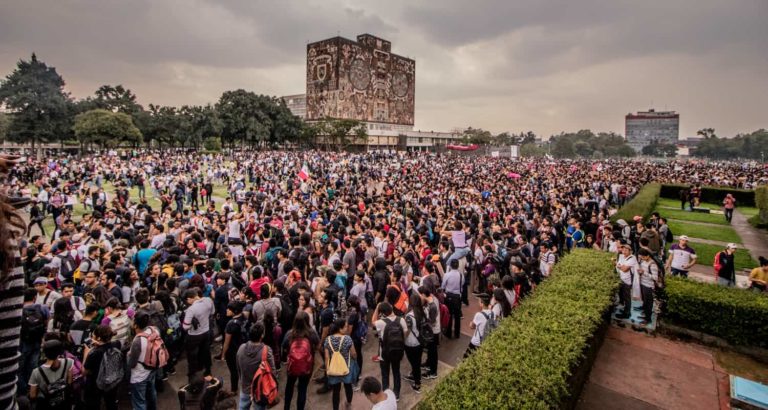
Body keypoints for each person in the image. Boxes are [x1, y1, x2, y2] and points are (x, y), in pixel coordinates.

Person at [283, 311, 319, 410]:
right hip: (307, 365)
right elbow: (317, 344)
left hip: (292, 365)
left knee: (289, 386)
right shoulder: (311, 333)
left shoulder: (290, 333)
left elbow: (284, 346)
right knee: (302, 389)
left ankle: (286, 407)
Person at [236, 323, 275, 410]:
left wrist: (241, 379)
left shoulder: (241, 348)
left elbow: (238, 367)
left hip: (245, 387)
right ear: (262, 336)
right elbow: (272, 371)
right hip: (260, 390)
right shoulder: (266, 350)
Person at [373, 302, 407, 401]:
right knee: (396, 372)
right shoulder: (402, 320)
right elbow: (404, 336)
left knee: (385, 374)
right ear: (391, 309)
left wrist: (377, 307)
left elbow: (373, 321)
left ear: (382, 313)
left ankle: (386, 394)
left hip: (384, 353)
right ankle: (396, 395)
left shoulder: (380, 322)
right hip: (397, 352)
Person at [82, 325, 121, 410]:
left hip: (96, 384)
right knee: (111, 403)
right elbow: (106, 346)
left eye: (93, 336)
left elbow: (85, 372)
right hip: (112, 380)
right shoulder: (117, 344)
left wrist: (86, 354)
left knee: (93, 404)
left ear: (98, 338)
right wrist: (99, 344)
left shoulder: (94, 354)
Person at [28, 340, 73, 410]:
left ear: (45, 353)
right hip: (63, 402)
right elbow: (70, 381)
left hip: (47, 404)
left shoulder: (36, 372)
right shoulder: (69, 362)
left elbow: (32, 395)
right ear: (60, 352)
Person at [127, 311, 159, 410]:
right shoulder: (154, 330)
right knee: (151, 393)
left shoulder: (138, 340)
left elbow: (132, 364)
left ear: (136, 325)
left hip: (140, 375)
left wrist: (129, 355)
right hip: (152, 368)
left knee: (139, 401)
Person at [182, 288, 214, 384]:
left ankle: (193, 376)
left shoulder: (191, 309)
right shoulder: (208, 300)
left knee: (192, 356)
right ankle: (207, 371)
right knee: (205, 351)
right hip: (206, 331)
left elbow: (185, 327)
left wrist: (192, 322)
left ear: (190, 298)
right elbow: (212, 313)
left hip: (194, 335)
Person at [323, 318, 356, 410]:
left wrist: (327, 370)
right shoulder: (347, 339)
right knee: (348, 387)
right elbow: (353, 353)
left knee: (336, 391)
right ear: (339, 328)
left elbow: (326, 357)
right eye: (345, 326)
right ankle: (348, 402)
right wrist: (354, 359)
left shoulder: (327, 340)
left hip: (333, 369)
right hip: (346, 368)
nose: (347, 328)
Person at [222, 301, 248, 393]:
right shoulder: (244, 317)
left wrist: (223, 354)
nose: (227, 310)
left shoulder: (231, 324)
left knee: (233, 370)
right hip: (244, 347)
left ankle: (234, 389)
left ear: (234, 311)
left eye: (229, 309)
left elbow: (226, 342)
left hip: (233, 350)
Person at [403, 293, 425, 393]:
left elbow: (407, 331)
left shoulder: (409, 316)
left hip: (410, 343)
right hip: (420, 341)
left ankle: (417, 384)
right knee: (417, 361)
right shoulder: (422, 312)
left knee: (414, 363)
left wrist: (402, 339)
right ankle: (415, 376)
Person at [441, 258, 463, 339]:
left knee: (449, 315)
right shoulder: (461, 275)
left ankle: (448, 333)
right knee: (457, 316)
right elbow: (462, 285)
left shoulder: (447, 275)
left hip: (449, 296)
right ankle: (457, 334)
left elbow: (443, 286)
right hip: (457, 297)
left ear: (450, 266)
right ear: (458, 266)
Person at [615, 242, 637, 319]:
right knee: (622, 295)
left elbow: (624, 269)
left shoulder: (632, 258)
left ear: (630, 251)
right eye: (623, 249)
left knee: (627, 298)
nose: (624, 251)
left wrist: (619, 266)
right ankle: (624, 309)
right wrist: (619, 266)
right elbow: (619, 266)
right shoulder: (622, 257)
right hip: (621, 279)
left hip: (627, 282)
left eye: (626, 250)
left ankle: (627, 313)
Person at [637, 249, 659, 325]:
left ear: (647, 256)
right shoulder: (644, 261)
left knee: (649, 303)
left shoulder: (652, 264)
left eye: (642, 257)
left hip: (649, 286)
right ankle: (645, 315)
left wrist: (644, 273)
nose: (641, 258)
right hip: (643, 283)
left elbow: (655, 278)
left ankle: (648, 319)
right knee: (645, 301)